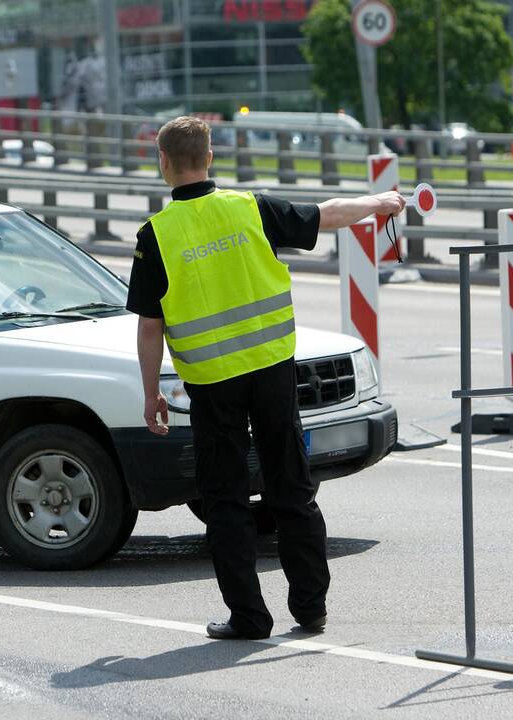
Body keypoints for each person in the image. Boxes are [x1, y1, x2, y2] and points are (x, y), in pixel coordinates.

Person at [126, 116, 405, 640]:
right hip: (274, 373)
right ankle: (311, 608)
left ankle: (250, 618)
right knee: (291, 487)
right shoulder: (249, 208)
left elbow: (149, 325)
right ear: (210, 158)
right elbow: (323, 216)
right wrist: (378, 203)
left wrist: (150, 394)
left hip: (211, 385)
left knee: (225, 499)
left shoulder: (156, 235)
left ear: (162, 163)